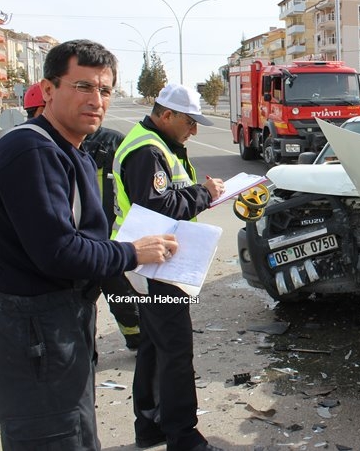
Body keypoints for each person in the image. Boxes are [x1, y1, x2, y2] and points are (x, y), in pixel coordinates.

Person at [0, 39, 179, 451]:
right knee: (56, 437)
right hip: (37, 331)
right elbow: (58, 252)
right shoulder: (32, 150)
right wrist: (132, 253)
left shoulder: (67, 150)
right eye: (84, 87)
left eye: (104, 90)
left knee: (74, 430)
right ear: (49, 90)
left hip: (57, 325)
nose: (97, 100)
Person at [111, 83, 225, 451]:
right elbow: (157, 205)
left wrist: (199, 195)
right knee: (175, 349)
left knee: (154, 346)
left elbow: (167, 197)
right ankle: (183, 435)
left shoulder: (159, 144)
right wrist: (205, 195)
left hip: (154, 260)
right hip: (152, 264)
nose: (193, 131)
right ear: (166, 115)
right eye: (190, 122)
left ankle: (149, 426)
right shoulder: (147, 149)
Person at [82, 125, 142, 351]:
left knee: (124, 300)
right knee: (79, 307)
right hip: (82, 245)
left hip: (110, 243)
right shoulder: (55, 144)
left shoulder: (114, 141)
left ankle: (138, 341)